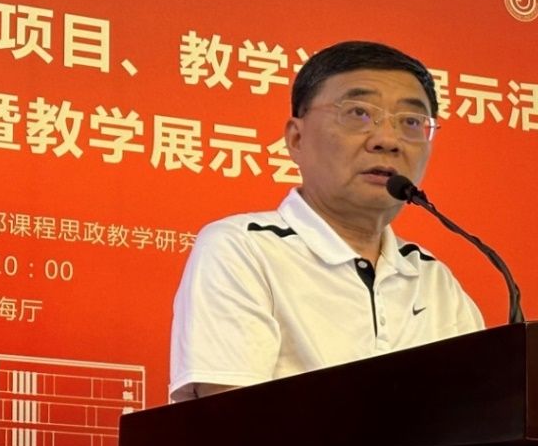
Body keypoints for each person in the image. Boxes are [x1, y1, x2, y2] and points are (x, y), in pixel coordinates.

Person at [168, 40, 484, 402]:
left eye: (411, 122)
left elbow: (482, 417)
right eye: (358, 113)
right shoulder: (243, 250)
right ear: (296, 138)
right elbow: (234, 423)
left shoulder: (434, 280)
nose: (387, 140)